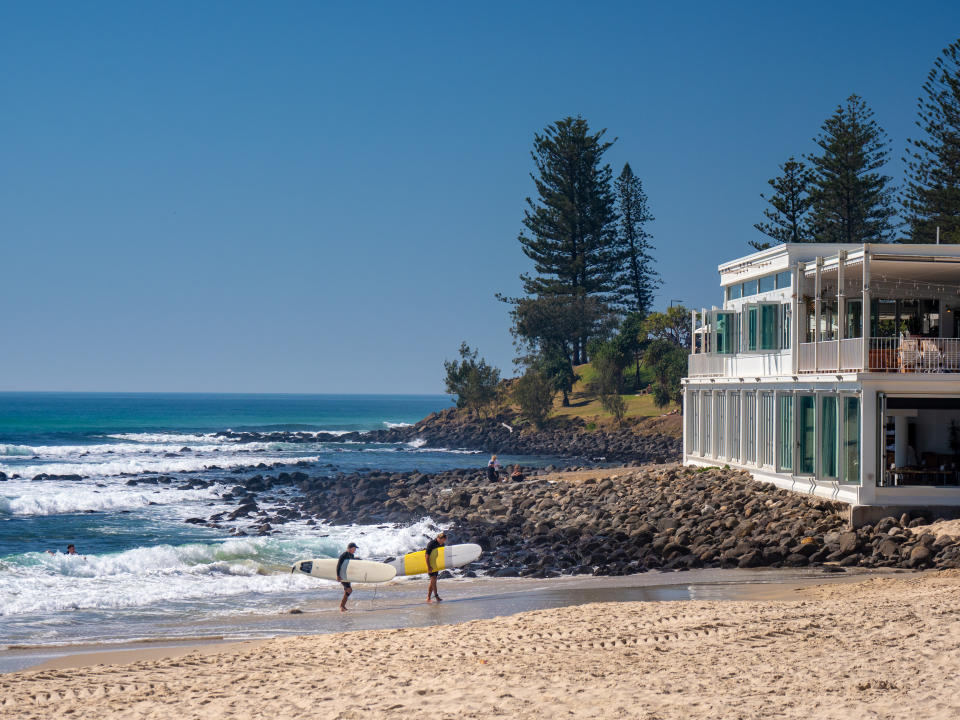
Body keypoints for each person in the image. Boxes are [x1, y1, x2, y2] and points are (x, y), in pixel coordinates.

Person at [424, 532, 447, 603]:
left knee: (433, 582)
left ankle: (428, 598)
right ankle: (436, 596)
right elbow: (426, 556)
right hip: (430, 564)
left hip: (435, 565)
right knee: (433, 580)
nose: (444, 542)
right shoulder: (431, 544)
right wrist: (428, 567)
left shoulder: (441, 544)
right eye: (443, 540)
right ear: (439, 538)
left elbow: (440, 555)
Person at [337, 542, 358, 612]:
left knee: (347, 590)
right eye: (354, 548)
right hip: (342, 575)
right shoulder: (344, 555)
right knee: (349, 590)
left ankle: (342, 606)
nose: (355, 550)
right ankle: (341, 606)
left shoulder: (352, 555)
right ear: (350, 548)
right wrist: (338, 575)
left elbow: (351, 565)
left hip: (347, 576)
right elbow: (339, 565)